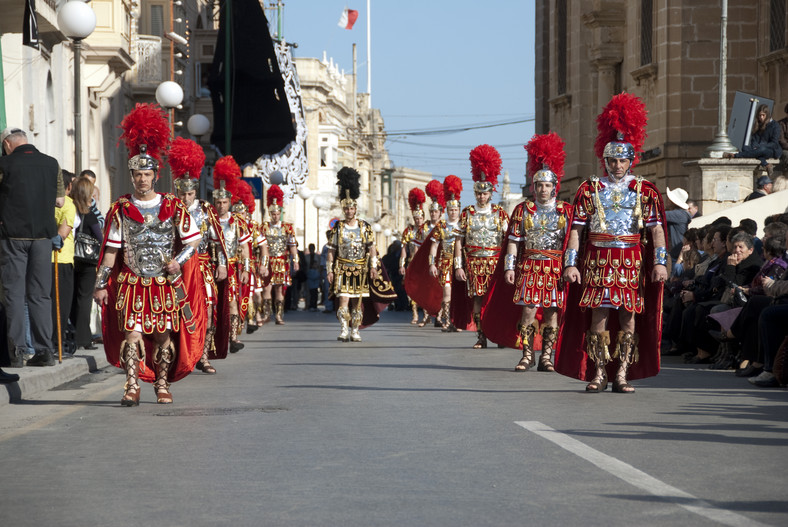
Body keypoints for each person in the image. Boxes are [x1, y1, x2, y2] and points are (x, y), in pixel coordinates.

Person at [556, 93, 668, 393]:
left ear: (631, 160)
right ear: (604, 160)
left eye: (622, 160)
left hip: (630, 260)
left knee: (628, 316)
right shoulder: (588, 189)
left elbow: (656, 229)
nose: (617, 165)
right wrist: (570, 264)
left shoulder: (645, 190)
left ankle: (622, 372)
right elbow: (576, 230)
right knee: (599, 316)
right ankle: (599, 372)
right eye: (612, 160)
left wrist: (659, 261)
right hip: (597, 261)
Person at [93, 103, 205, 406]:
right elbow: (111, 251)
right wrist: (101, 284)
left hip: (163, 284)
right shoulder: (121, 209)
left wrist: (176, 262)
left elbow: (193, 242)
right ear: (131, 176)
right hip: (132, 284)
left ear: (155, 175)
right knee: (131, 334)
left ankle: (161, 382)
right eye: (137, 174)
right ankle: (131, 385)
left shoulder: (173, 206)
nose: (142, 179)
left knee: (162, 336)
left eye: (147, 173)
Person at [486, 132, 572, 372]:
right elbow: (513, 241)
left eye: (547, 185)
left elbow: (573, 240)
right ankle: (527, 354)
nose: (543, 189)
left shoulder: (566, 211)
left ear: (555, 187)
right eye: (539, 185)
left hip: (555, 267)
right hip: (530, 266)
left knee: (552, 312)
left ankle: (546, 356)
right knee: (528, 311)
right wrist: (509, 267)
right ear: (534, 187)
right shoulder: (523, 210)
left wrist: (570, 265)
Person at [0, 127, 65, 369]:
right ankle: (44, 350)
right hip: (43, 236)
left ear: (7, 144)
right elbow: (59, 201)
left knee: (15, 294)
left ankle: (17, 351)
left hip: (13, 235)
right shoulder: (51, 163)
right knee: (40, 295)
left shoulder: (4, 164)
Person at [169, 137, 231, 374]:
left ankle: (203, 355)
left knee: (207, 308)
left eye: (190, 194)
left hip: (203, 266)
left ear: (195, 192)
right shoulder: (170, 208)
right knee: (175, 308)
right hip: (176, 266)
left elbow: (218, 240)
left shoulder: (206, 211)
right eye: (183, 194)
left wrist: (222, 265)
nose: (186, 199)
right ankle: (178, 353)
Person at [454, 144, 510, 348]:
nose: (481, 197)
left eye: (485, 194)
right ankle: (481, 335)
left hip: (495, 262)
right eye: (478, 193)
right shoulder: (467, 213)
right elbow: (459, 241)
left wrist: (509, 265)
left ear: (490, 194)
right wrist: (458, 265)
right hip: (474, 263)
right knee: (477, 299)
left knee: (496, 300)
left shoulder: (500, 214)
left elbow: (508, 239)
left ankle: (500, 333)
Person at [326, 167, 379, 342]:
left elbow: (371, 248)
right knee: (343, 300)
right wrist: (329, 270)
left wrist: (373, 267)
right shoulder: (338, 228)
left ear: (355, 209)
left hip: (360, 269)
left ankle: (355, 330)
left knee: (357, 303)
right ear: (343, 209)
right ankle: (343, 329)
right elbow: (331, 250)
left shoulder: (364, 227)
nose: (349, 211)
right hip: (342, 267)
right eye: (346, 209)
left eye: (351, 208)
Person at [211, 156, 252, 353]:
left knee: (232, 301)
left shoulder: (238, 223)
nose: (221, 206)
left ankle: (233, 337)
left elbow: (244, 247)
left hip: (233, 266)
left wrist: (245, 268)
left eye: (224, 202)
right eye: (218, 202)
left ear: (229, 202)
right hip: (211, 267)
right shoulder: (208, 221)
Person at [69, 176, 103, 350]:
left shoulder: (70, 209)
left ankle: (73, 334)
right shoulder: (90, 216)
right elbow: (100, 237)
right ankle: (84, 338)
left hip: (71, 257)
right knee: (84, 298)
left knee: (72, 297)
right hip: (88, 262)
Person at [428, 176, 464, 331]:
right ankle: (448, 321)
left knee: (460, 294)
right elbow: (434, 246)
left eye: (456, 209)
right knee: (447, 292)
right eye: (451, 210)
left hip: (462, 264)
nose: (453, 212)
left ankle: (459, 321)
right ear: (447, 210)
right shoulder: (442, 226)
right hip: (445, 262)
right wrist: (431, 263)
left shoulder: (464, 224)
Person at [261, 185, 298, 324]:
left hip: (282, 261)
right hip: (268, 260)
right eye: (273, 214)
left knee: (279, 290)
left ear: (280, 213)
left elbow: (292, 245)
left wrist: (295, 260)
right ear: (270, 214)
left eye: (277, 214)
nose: (275, 216)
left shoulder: (287, 228)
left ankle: (279, 315)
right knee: (266, 288)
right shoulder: (264, 227)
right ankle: (266, 314)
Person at [52, 170, 77, 357]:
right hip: (61, 258)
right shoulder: (68, 204)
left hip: (42, 258)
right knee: (61, 305)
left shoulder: (43, 201)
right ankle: (56, 342)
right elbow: (64, 232)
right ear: (67, 186)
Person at [726, 104, 783, 175]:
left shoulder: (775, 125)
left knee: (761, 150)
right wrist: (754, 147)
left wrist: (760, 147)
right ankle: (765, 164)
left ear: (767, 115)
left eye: (763, 115)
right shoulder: (758, 125)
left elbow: (774, 143)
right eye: (760, 115)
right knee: (745, 148)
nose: (761, 117)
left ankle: (736, 155)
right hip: (759, 149)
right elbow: (754, 140)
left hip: (771, 150)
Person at [400, 188, 430, 325]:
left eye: (420, 218)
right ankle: (414, 314)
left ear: (424, 218)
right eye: (416, 218)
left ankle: (426, 314)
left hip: (424, 264)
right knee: (411, 289)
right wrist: (402, 264)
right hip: (412, 263)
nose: (418, 220)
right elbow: (404, 249)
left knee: (424, 289)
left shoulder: (427, 231)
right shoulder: (409, 231)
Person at [665, 187, 692, 260]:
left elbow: (660, 215)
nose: (667, 200)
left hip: (677, 254)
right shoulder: (680, 214)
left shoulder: (679, 214)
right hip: (675, 253)